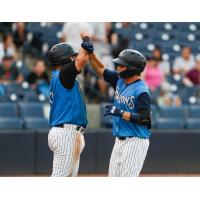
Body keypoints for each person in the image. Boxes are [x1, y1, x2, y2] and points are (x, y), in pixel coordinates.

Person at [82, 34, 151, 177]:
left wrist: (120, 113)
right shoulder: (120, 79)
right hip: (119, 141)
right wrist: (91, 53)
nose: (118, 67)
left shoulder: (141, 90)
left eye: (121, 65)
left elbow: (145, 119)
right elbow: (101, 69)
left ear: (132, 68)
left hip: (135, 142)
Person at [47, 34, 93, 177]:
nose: (73, 58)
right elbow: (83, 59)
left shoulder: (58, 75)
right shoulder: (63, 74)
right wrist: (85, 41)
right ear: (64, 58)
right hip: (66, 133)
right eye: (71, 56)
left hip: (66, 132)